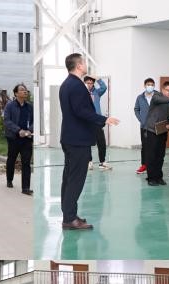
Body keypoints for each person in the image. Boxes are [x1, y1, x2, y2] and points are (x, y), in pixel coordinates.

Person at [58, 53, 118, 230]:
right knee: (76, 179)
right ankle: (69, 219)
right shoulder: (76, 85)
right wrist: (104, 119)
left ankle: (69, 214)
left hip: (70, 137)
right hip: (78, 139)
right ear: (78, 66)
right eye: (83, 62)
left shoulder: (67, 84)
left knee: (69, 178)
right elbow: (81, 111)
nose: (85, 65)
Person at [144, 81, 169, 186]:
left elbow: (168, 115)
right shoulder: (156, 96)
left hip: (162, 130)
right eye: (168, 90)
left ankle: (158, 177)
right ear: (162, 90)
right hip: (151, 130)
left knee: (160, 155)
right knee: (151, 155)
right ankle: (151, 178)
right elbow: (159, 100)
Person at [3, 83, 34, 195]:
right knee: (12, 159)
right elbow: (7, 121)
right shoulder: (10, 106)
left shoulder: (30, 107)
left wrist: (29, 130)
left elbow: (35, 121)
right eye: (22, 90)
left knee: (26, 162)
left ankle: (25, 188)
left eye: (25, 90)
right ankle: (9, 179)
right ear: (16, 93)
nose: (25, 91)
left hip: (27, 138)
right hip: (14, 138)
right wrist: (18, 130)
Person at [84, 75, 112, 171]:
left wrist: (98, 79)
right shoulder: (81, 93)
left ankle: (102, 162)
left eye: (91, 83)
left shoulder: (97, 92)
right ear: (84, 83)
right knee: (87, 143)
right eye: (88, 83)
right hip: (87, 122)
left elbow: (104, 87)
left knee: (101, 142)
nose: (89, 85)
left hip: (97, 122)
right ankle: (89, 162)